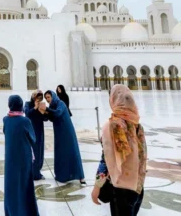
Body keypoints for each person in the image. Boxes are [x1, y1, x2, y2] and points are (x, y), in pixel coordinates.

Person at [91, 84, 147, 215]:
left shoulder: (112, 126)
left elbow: (105, 160)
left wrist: (97, 187)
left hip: (121, 189)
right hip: (138, 187)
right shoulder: (137, 124)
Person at [3, 95, 39, 216]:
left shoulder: (5, 119)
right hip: (24, 157)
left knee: (11, 184)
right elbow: (33, 138)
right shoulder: (25, 121)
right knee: (24, 184)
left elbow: (5, 132)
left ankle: (11, 211)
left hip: (10, 157)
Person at [44, 90, 85, 185]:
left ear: (53, 96)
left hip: (67, 131)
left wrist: (47, 109)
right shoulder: (51, 106)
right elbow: (52, 117)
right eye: (46, 98)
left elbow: (58, 113)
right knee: (61, 152)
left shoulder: (60, 103)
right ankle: (62, 176)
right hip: (59, 132)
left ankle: (81, 176)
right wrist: (45, 112)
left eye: (48, 97)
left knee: (72, 151)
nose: (47, 99)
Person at [24, 89, 48, 180]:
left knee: (40, 151)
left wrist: (44, 111)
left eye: (40, 97)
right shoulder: (28, 104)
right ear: (33, 96)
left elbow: (45, 119)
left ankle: (37, 171)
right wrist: (34, 107)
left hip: (39, 130)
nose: (38, 99)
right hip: (31, 130)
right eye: (37, 96)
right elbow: (27, 114)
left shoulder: (41, 105)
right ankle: (34, 174)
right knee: (33, 152)